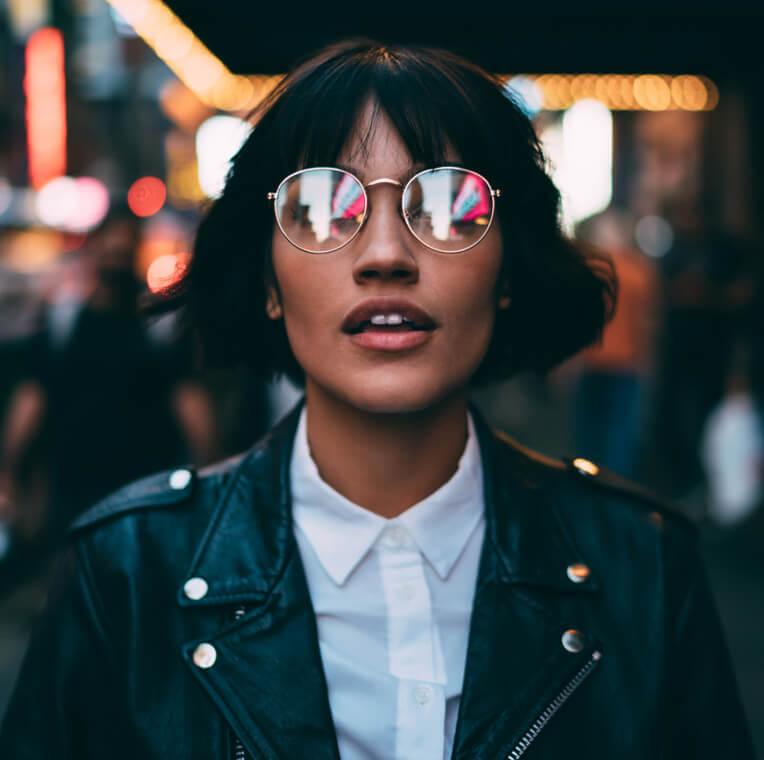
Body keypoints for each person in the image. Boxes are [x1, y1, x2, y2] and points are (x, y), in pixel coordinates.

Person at [0, 39, 754, 760]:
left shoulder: (643, 567)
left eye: (448, 204)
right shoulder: (125, 573)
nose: (388, 254)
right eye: (325, 205)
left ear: (509, 271)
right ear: (267, 279)